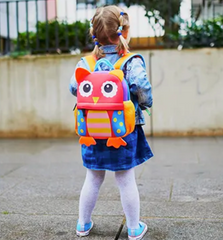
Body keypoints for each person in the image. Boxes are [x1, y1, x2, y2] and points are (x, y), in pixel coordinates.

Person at [69, 5, 153, 240]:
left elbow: (74, 87)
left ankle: (83, 224)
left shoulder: (86, 63)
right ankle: (134, 228)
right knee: (126, 179)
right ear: (124, 32)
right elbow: (142, 88)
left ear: (93, 34)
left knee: (93, 177)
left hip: (92, 131)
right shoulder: (131, 61)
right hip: (123, 131)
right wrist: (145, 104)